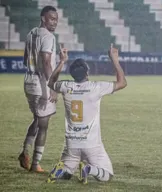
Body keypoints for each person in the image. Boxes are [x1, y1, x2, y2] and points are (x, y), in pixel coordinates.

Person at [46, 44, 127, 184]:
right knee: (107, 175)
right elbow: (122, 83)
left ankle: (62, 170)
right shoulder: (96, 87)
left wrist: (61, 61)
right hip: (91, 145)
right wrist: (115, 60)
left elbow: (51, 82)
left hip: (71, 144)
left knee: (68, 170)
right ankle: (89, 169)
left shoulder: (66, 86)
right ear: (87, 73)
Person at [18, 5, 58, 172]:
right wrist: (53, 86)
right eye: (51, 19)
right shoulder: (48, 37)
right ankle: (35, 164)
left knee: (37, 118)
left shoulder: (31, 33)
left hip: (28, 81)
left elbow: (25, 58)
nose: (55, 23)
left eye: (56, 20)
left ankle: (25, 152)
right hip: (41, 85)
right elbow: (47, 62)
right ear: (43, 18)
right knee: (44, 124)